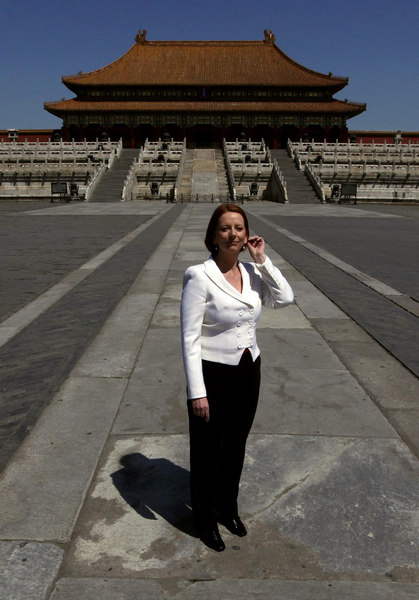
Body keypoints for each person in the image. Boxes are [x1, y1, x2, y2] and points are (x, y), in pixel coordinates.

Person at [180, 204, 294, 551]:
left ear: (248, 235)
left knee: (236, 444)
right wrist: (196, 392)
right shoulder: (199, 275)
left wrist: (263, 259)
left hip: (249, 368)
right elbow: (189, 339)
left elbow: (286, 299)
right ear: (214, 236)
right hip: (214, 373)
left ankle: (227, 507)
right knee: (207, 450)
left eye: (240, 228)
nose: (234, 235)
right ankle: (203, 519)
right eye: (226, 228)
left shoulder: (252, 271)